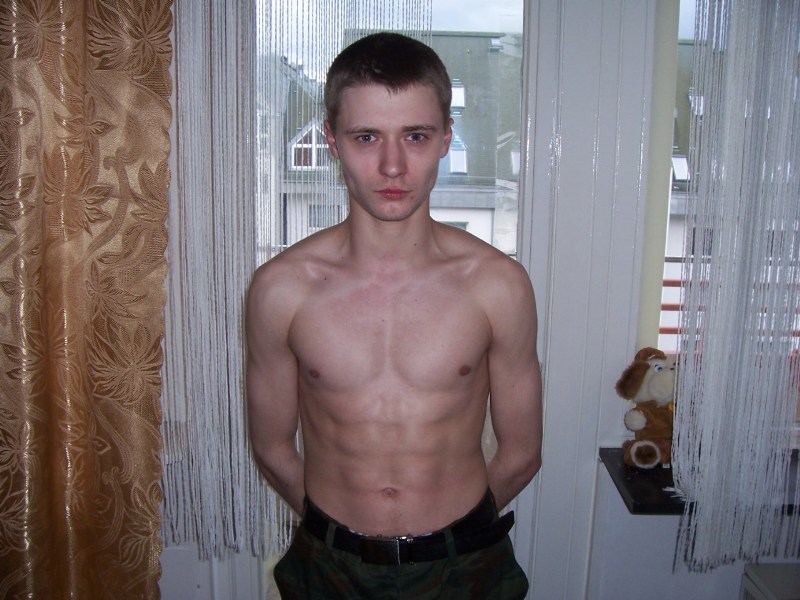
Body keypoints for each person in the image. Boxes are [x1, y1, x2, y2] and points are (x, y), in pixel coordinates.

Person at [246, 32, 543, 599]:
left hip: (465, 568)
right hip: (329, 570)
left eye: (415, 136)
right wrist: (339, 538)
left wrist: (453, 539)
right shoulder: (281, 290)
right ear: (332, 141)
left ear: (445, 140)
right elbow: (272, 448)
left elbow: (522, 453)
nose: (391, 165)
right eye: (366, 137)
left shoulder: (497, 286)